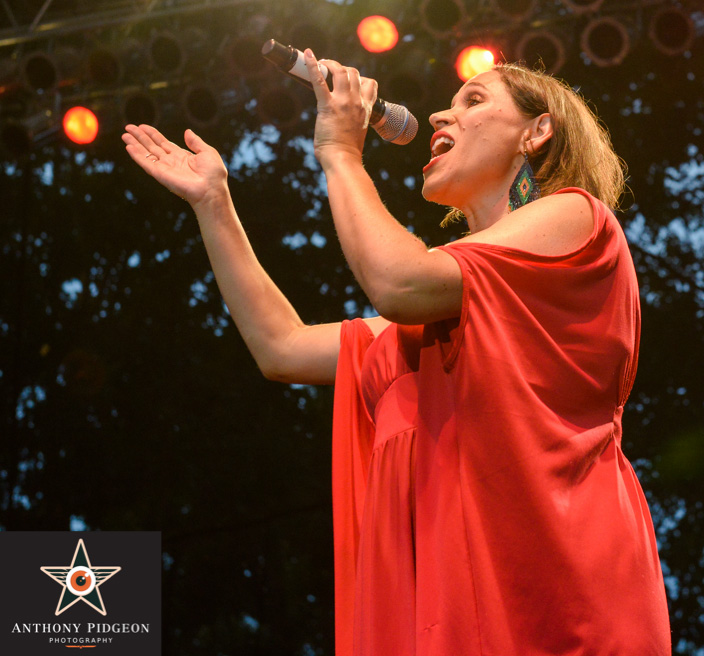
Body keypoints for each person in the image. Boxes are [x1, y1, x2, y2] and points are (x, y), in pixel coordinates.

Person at [122, 50, 671, 656]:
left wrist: (340, 153)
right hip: (442, 606)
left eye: (474, 100)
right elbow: (282, 346)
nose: (442, 113)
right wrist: (213, 203)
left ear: (538, 131)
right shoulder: (439, 314)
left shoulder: (577, 219)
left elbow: (401, 282)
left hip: (550, 590)